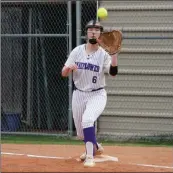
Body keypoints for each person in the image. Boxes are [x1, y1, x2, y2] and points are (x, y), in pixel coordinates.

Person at [61, 20, 119, 167]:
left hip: (97, 94)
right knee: (81, 134)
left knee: (88, 120)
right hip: (79, 94)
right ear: (86, 33)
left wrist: (114, 56)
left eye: (97, 29)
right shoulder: (77, 51)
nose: (93, 32)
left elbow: (113, 73)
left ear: (101, 34)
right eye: (91, 29)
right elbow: (63, 72)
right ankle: (96, 147)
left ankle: (90, 157)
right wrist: (69, 69)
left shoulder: (104, 54)